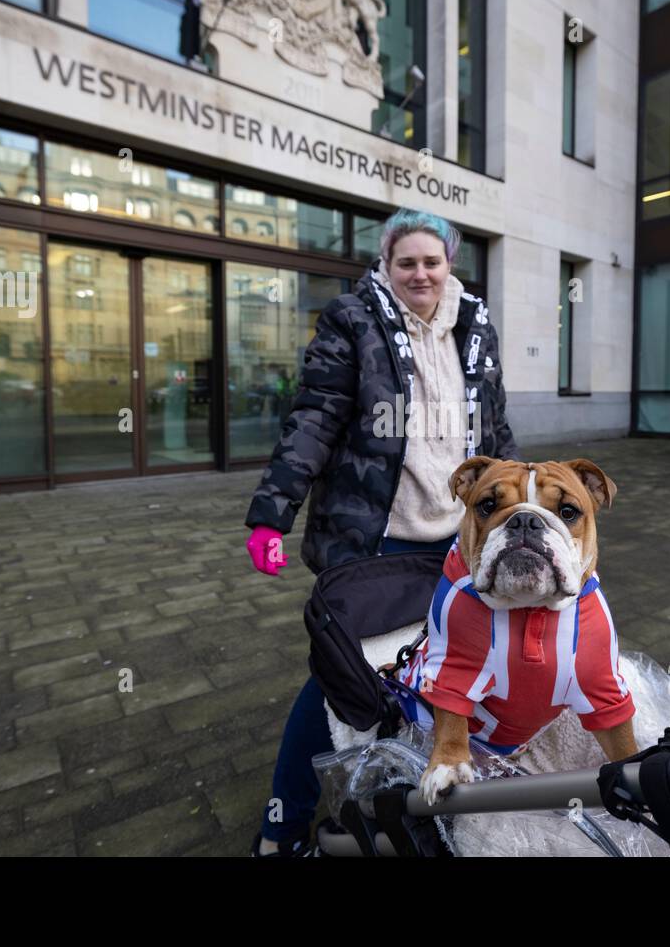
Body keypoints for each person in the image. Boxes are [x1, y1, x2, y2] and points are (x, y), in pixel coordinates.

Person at [242, 208, 520, 855]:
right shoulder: (353, 319)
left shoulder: (475, 326)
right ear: (386, 264)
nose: (420, 273)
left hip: (457, 540)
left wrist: (518, 513)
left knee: (438, 675)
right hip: (378, 537)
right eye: (406, 262)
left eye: (432, 261)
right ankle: (282, 826)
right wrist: (270, 511)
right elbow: (313, 417)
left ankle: (401, 800)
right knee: (340, 685)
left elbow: (496, 432)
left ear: (449, 264)